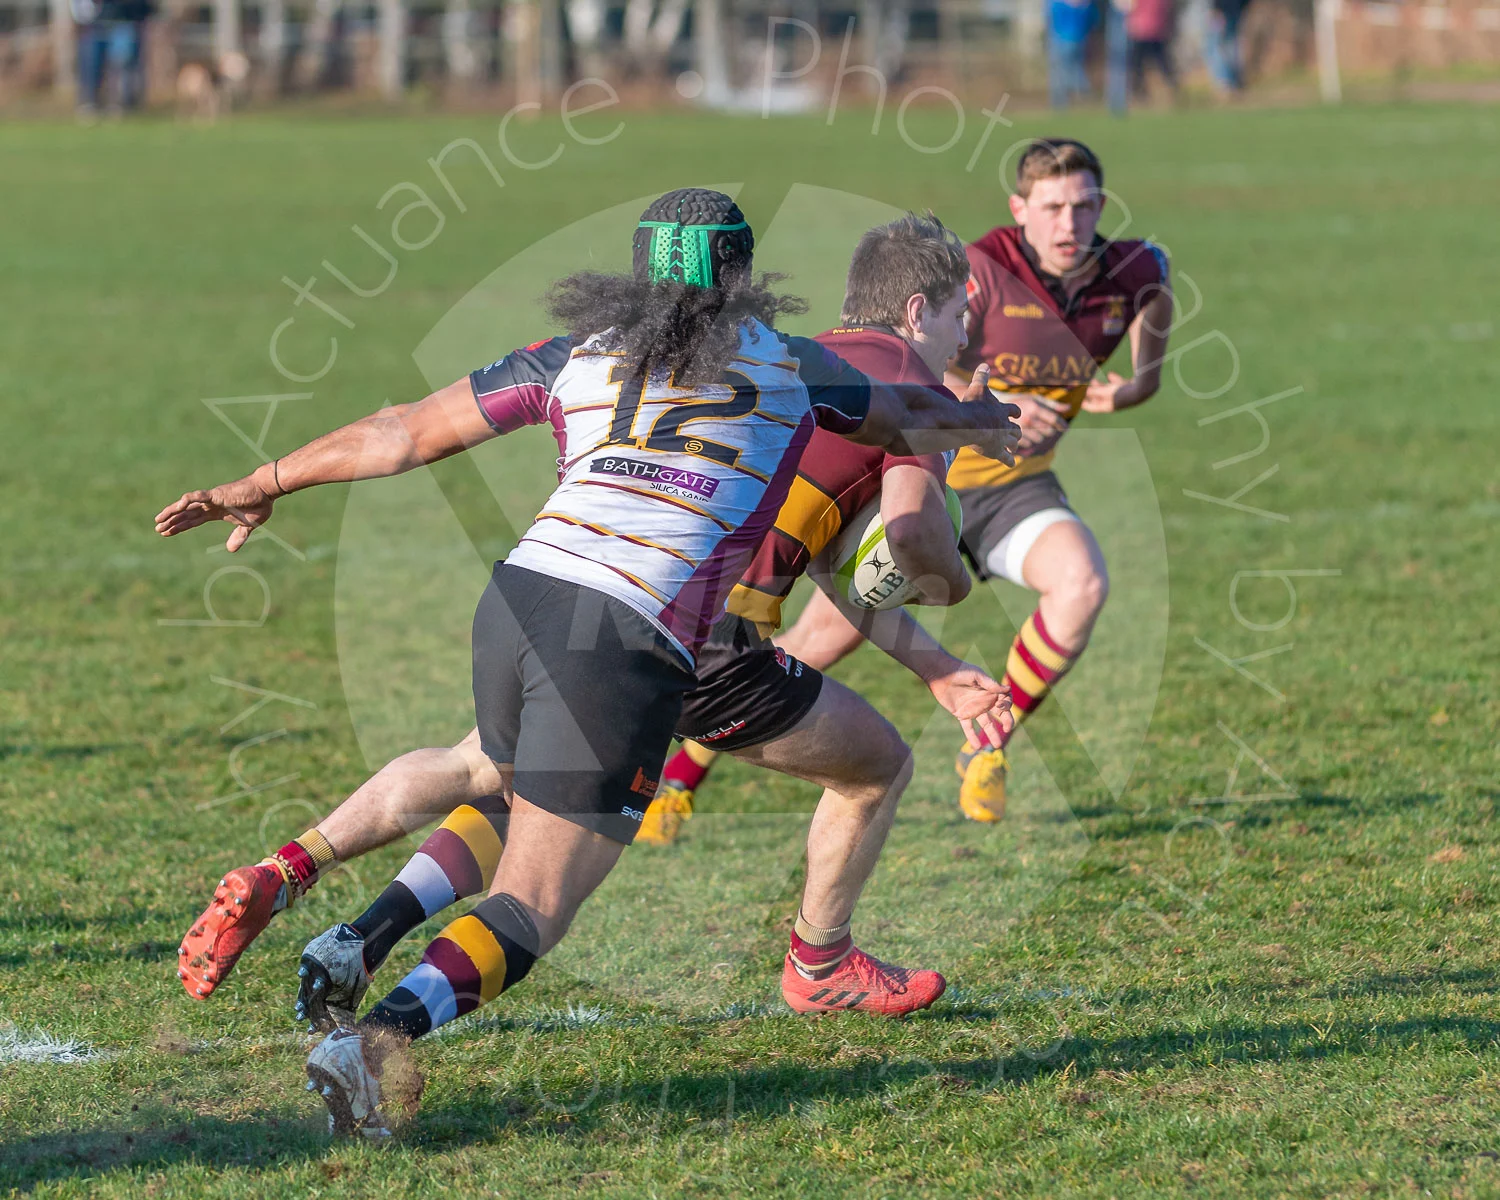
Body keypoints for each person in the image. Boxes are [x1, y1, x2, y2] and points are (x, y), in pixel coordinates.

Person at [155, 190, 1020, 1137]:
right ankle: (371, 1043)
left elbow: (402, 430)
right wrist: (981, 423)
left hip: (518, 601)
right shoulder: (794, 368)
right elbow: (909, 414)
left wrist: (264, 480)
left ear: (639, 269)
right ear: (743, 278)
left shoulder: (579, 353)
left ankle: (334, 915)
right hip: (631, 636)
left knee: (497, 790)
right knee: (534, 905)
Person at [639, 213, 983, 843]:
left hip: (607, 580)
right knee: (878, 769)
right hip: (709, 635)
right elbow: (909, 534)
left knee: (502, 778)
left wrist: (935, 666)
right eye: (958, 315)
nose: (963, 338)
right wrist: (954, 585)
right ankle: (820, 946)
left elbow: (829, 566)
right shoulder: (912, 386)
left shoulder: (802, 357)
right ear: (915, 311)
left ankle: (398, 915)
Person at [1048, 0, 1095, 110]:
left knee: (1063, 71)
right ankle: (1079, 91)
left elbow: (1052, 18)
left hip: (1062, 40)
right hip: (1078, 40)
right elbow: (1092, 20)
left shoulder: (1058, 4)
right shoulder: (1085, 5)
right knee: (1074, 68)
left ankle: (1063, 99)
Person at [1127, 0, 1178, 100]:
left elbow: (1129, 7)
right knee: (1162, 63)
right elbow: (1168, 10)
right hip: (1157, 31)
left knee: (1137, 65)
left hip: (1141, 31)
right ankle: (1172, 85)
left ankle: (1139, 90)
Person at [1204, 0, 1251, 94]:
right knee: (1231, 47)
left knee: (1216, 47)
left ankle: (1225, 82)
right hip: (1234, 12)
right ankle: (1234, 82)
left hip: (1221, 13)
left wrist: (1216, 8)